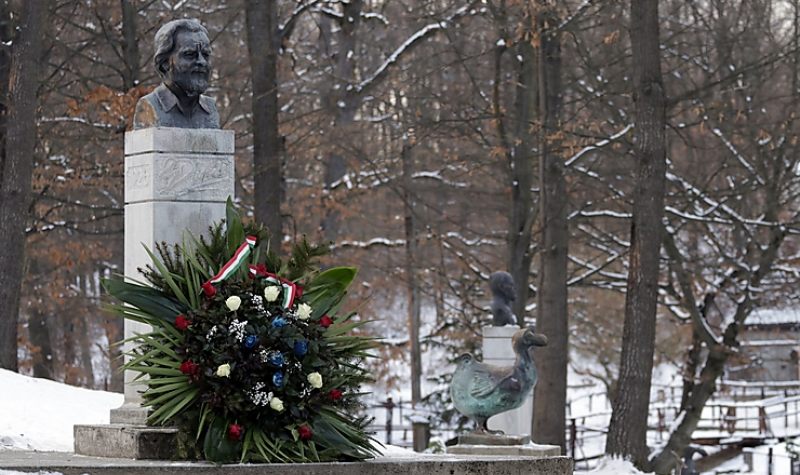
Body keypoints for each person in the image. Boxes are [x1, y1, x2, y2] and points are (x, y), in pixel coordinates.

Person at [133, 18, 220, 129]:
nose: (201, 61)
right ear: (165, 63)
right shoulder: (149, 107)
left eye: (206, 55)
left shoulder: (210, 109)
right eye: (189, 54)